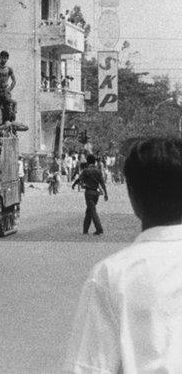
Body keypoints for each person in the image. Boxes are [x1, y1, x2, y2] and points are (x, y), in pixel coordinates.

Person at [65, 137, 182, 373]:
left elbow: (89, 368)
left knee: (90, 213)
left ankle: (93, 227)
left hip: (89, 194)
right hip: (94, 193)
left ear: (133, 196)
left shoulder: (112, 275)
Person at [72, 154, 107, 235]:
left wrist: (74, 184)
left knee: (92, 211)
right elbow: (102, 183)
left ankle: (99, 229)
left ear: (88, 162)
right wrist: (106, 194)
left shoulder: (86, 170)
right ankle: (85, 230)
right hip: (96, 194)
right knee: (89, 211)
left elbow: (79, 179)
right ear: (94, 161)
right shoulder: (98, 171)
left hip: (89, 193)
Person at [0, 51, 16, 122]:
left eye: (5, 58)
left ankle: (7, 123)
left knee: (8, 108)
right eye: (2, 58)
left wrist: (9, 89)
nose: (3, 60)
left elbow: (14, 81)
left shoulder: (9, 68)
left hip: (5, 90)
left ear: (7, 59)